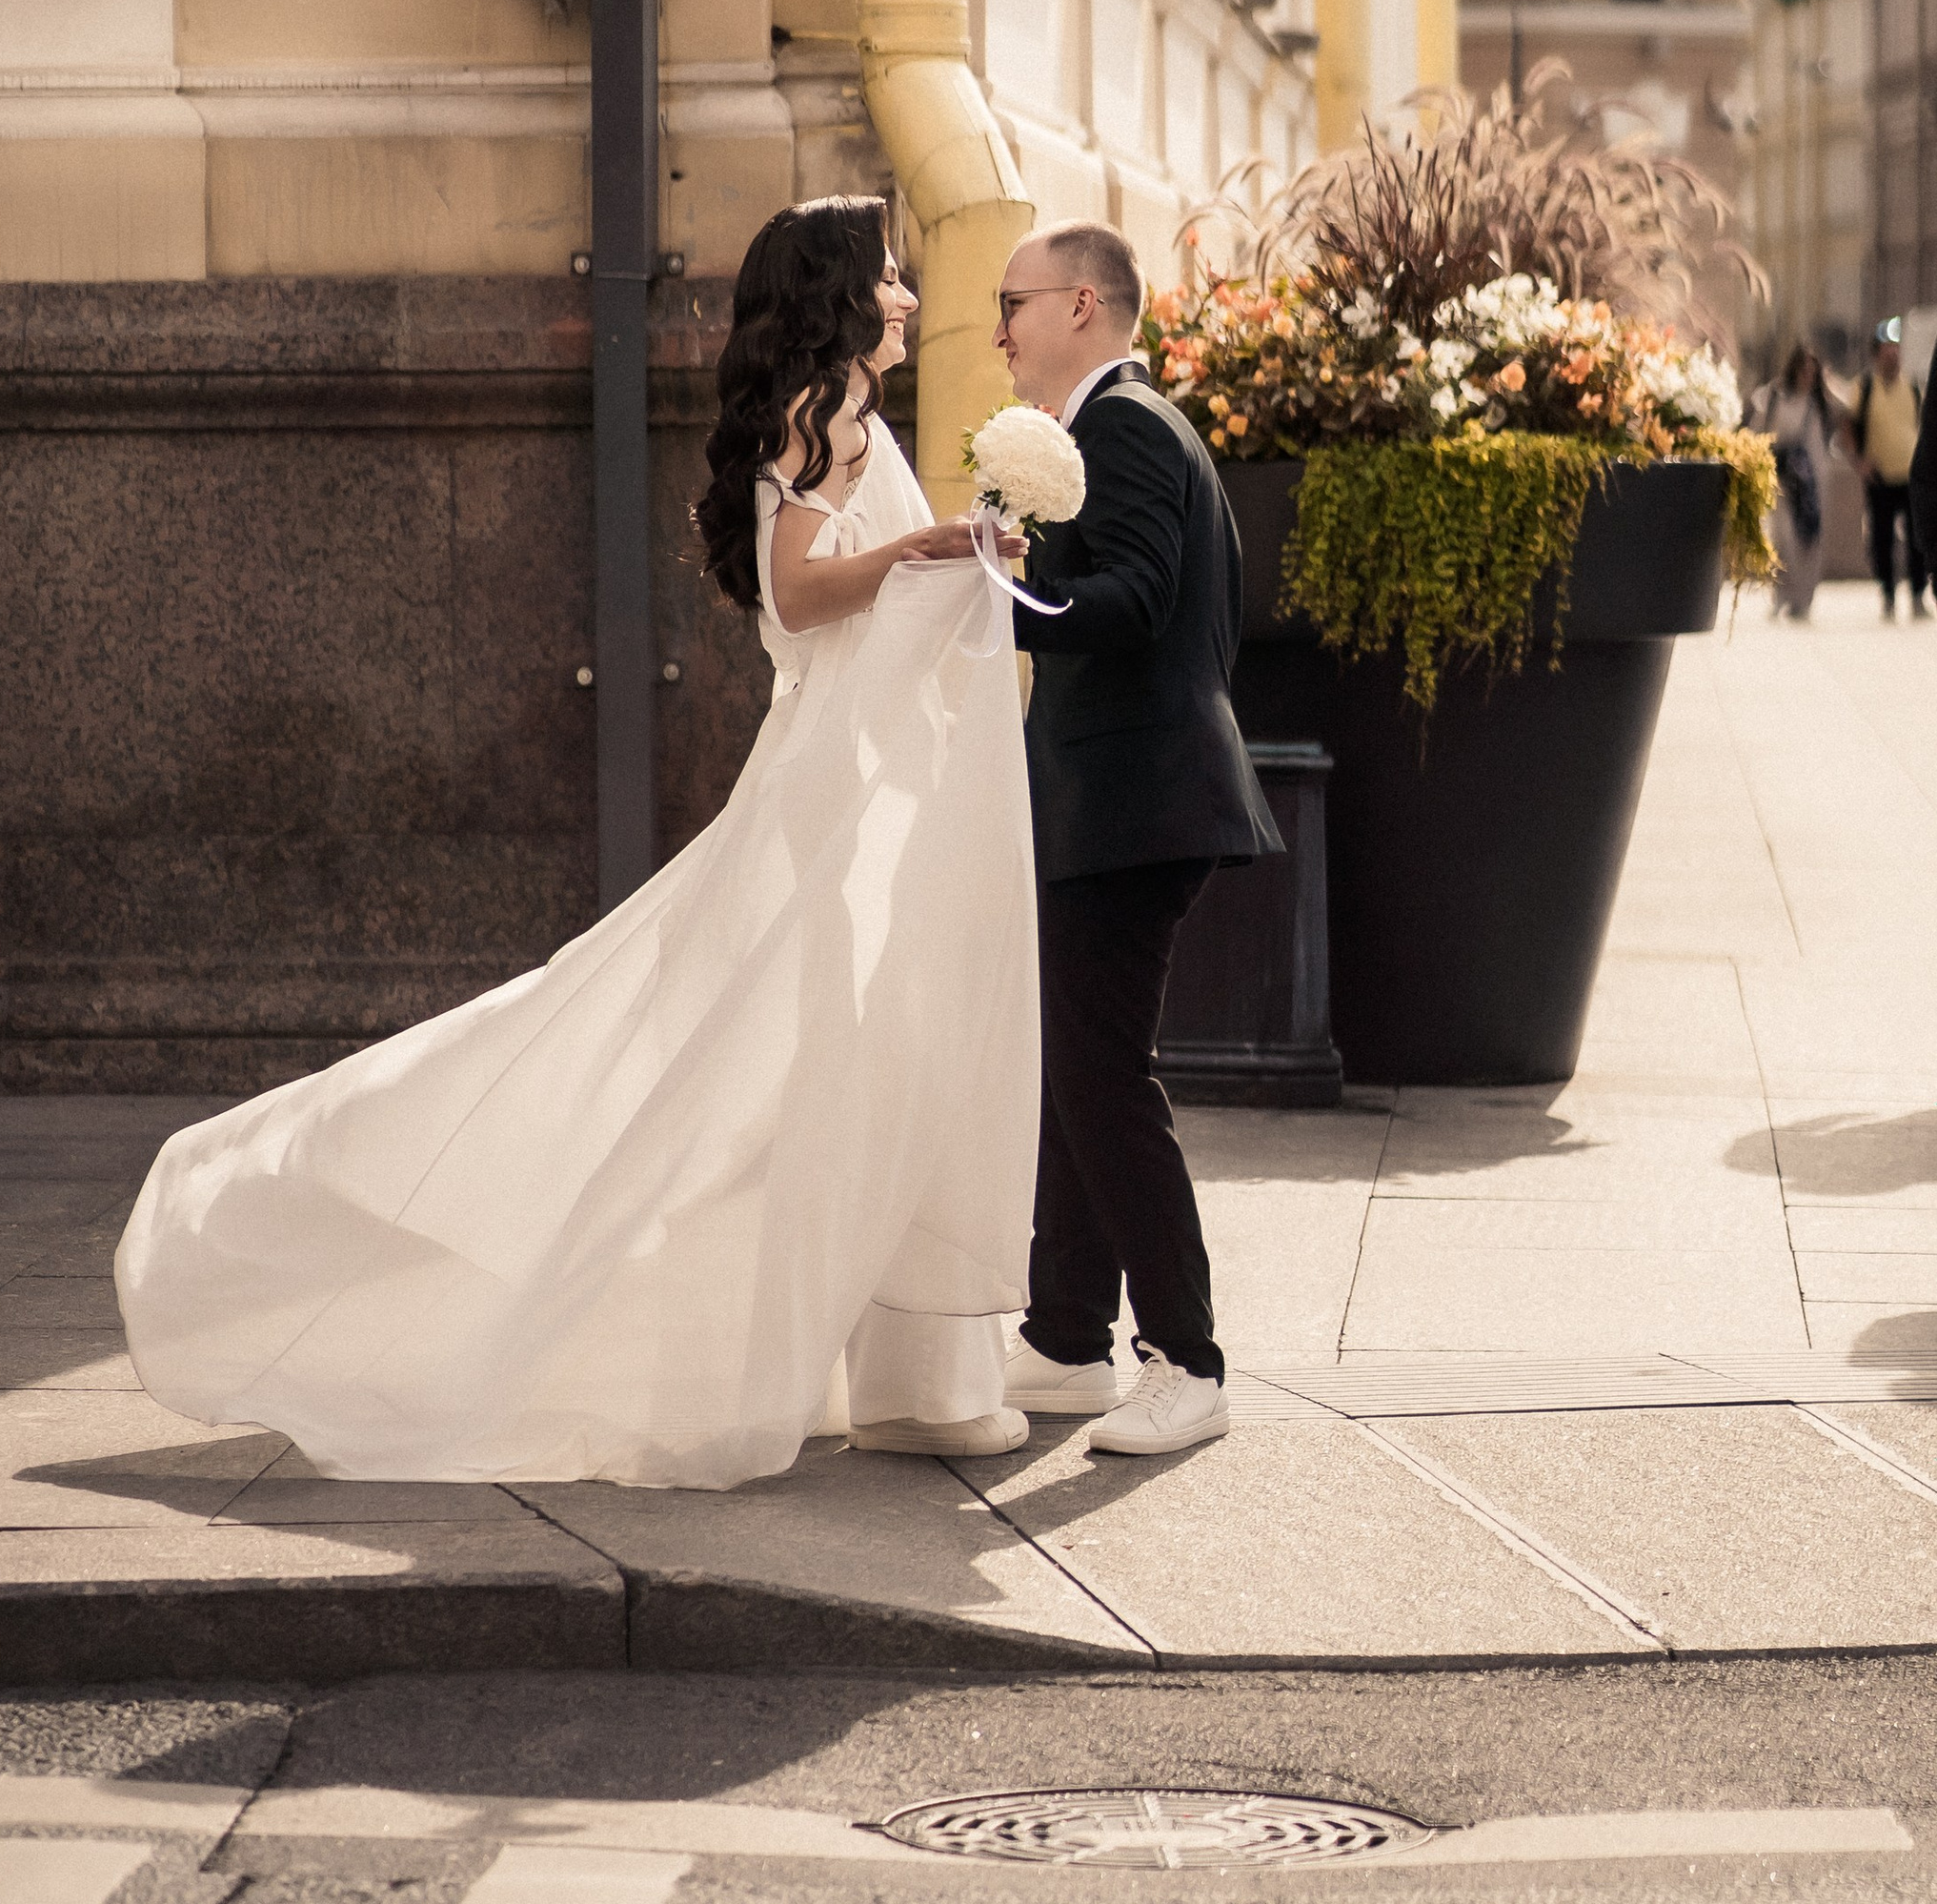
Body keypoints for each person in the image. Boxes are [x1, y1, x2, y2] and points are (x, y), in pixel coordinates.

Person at [115, 194, 1039, 1487]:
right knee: (796, 1069)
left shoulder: (856, 418)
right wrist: (924, 551)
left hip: (851, 780)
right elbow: (793, 593)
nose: (903, 296)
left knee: (852, 1070)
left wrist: (938, 558)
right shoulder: (822, 413)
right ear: (836, 295)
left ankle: (892, 1374)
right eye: (887, 275)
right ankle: (807, 1367)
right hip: (820, 793)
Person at [989, 219, 1282, 1459]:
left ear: (1082, 305)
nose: (997, 323)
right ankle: (1066, 1338)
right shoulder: (1121, 429)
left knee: (1103, 1076)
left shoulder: (1124, 426)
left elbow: (1140, 598)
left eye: (1014, 299)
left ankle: (1188, 1359)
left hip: (1135, 809)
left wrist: (993, 584)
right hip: (1117, 804)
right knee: (1077, 1066)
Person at [1750, 342, 1835, 621]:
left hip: (1812, 480)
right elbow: (1760, 431)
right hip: (1781, 477)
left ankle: (1804, 599)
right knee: (1782, 538)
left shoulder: (1819, 401)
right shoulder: (1776, 396)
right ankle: (1781, 596)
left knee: (1808, 538)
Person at [1850, 327, 1927, 621]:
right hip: (1880, 477)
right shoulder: (1865, 387)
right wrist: (1860, 462)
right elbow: (1848, 426)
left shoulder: (1914, 388)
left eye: (1896, 351)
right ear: (1877, 356)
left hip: (1911, 476)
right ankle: (1888, 594)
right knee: (1881, 538)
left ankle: (1919, 594)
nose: (1893, 356)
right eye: (1887, 351)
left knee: (1916, 539)